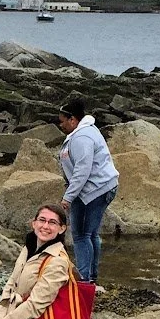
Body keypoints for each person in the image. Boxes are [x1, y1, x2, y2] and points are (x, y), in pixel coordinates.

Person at [57, 97, 119, 283]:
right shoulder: (87, 131)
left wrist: (67, 198)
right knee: (91, 234)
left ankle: (84, 279)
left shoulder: (82, 137)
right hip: (102, 186)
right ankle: (91, 276)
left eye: (62, 121)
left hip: (95, 190)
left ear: (73, 120)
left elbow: (82, 171)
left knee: (82, 235)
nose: (60, 125)